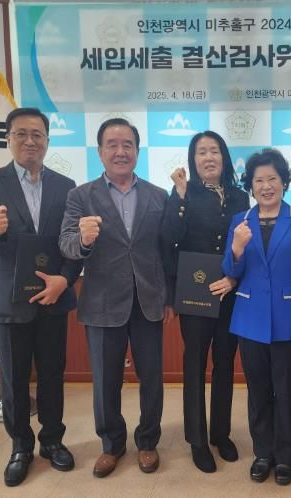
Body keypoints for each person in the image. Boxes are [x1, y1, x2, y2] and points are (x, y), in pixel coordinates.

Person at [0, 107, 82, 487]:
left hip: (52, 296)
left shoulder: (66, 186)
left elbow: (71, 244)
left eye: (37, 134)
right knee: (14, 379)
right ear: (8, 139)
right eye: (21, 134)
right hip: (9, 299)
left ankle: (52, 441)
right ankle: (20, 447)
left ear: (47, 140)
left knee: (52, 373)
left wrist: (66, 280)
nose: (30, 141)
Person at [59, 118, 174, 478]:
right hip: (102, 303)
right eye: (112, 144)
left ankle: (148, 441)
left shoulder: (158, 195)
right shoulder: (81, 196)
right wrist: (84, 240)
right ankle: (111, 444)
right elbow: (66, 244)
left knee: (151, 378)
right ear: (100, 151)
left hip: (148, 301)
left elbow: (165, 251)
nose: (120, 151)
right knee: (106, 380)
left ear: (138, 151)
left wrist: (169, 297)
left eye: (128, 144)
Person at [222, 148, 291, 486]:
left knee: (287, 390)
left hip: (290, 319)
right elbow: (231, 270)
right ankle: (263, 452)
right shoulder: (240, 221)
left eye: (272, 179)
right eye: (259, 180)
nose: (266, 186)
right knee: (258, 390)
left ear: (284, 182)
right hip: (249, 319)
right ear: (250, 185)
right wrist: (236, 247)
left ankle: (287, 456)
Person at [161, 131, 250, 473]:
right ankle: (197, 440)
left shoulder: (240, 196)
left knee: (225, 362)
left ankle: (220, 434)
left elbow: (248, 244)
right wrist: (180, 196)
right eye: (201, 152)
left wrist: (235, 278)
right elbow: (168, 238)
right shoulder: (184, 193)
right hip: (195, 291)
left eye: (214, 151)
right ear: (193, 159)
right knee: (195, 363)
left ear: (224, 157)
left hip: (229, 291)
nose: (209, 157)